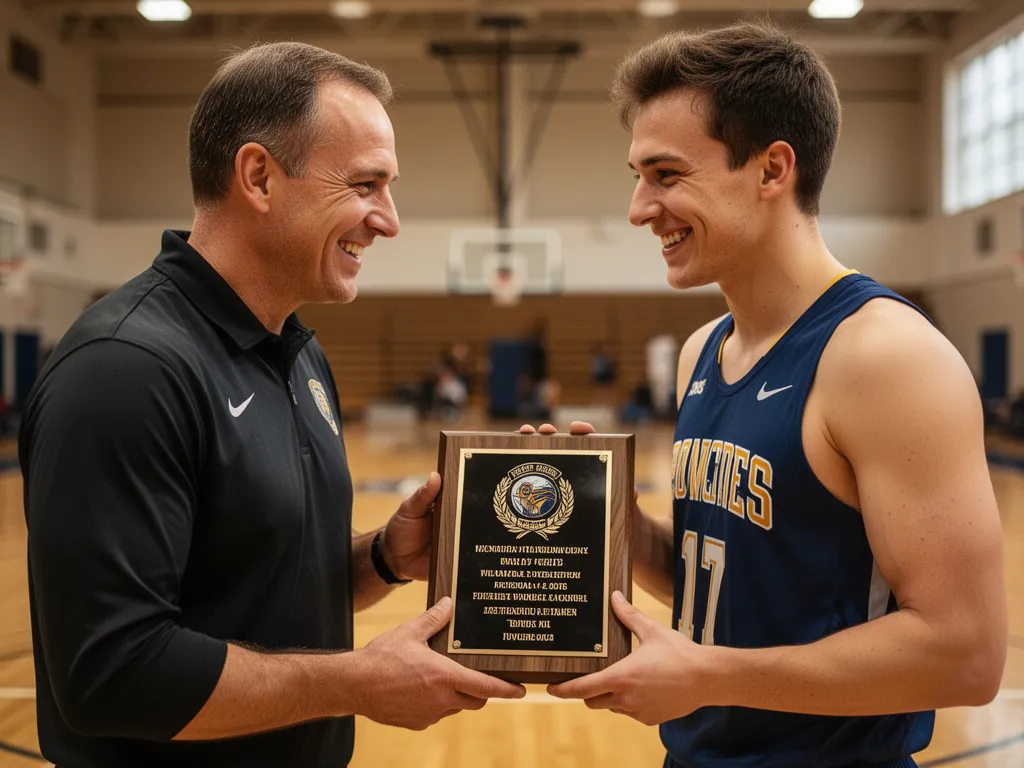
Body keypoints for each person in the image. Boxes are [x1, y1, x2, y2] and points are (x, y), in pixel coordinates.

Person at [19, 42, 524, 768]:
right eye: (364, 185)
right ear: (258, 176)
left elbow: (254, 596)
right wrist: (358, 683)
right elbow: (111, 674)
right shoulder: (126, 371)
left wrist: (382, 558)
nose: (388, 219)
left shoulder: (295, 351)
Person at [527, 21, 1007, 768]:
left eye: (666, 174)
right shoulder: (703, 350)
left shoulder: (885, 357)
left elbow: (965, 656)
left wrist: (707, 676)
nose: (638, 208)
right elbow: (720, 576)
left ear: (772, 169)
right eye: (638, 175)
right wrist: (609, 518)